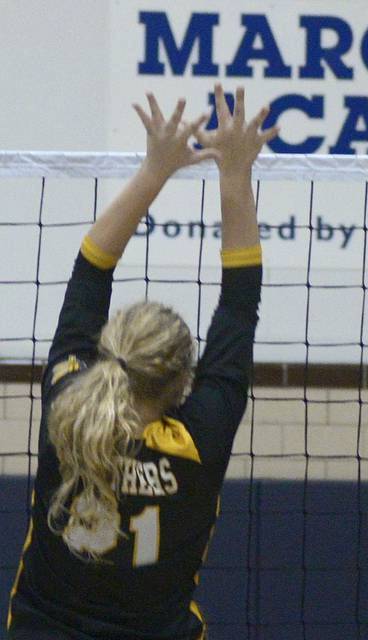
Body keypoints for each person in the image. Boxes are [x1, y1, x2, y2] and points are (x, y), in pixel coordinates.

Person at [7, 85, 277, 640]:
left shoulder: (68, 408)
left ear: (107, 350)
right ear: (184, 381)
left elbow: (91, 270)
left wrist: (155, 170)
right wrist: (233, 172)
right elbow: (240, 305)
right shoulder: (202, 433)